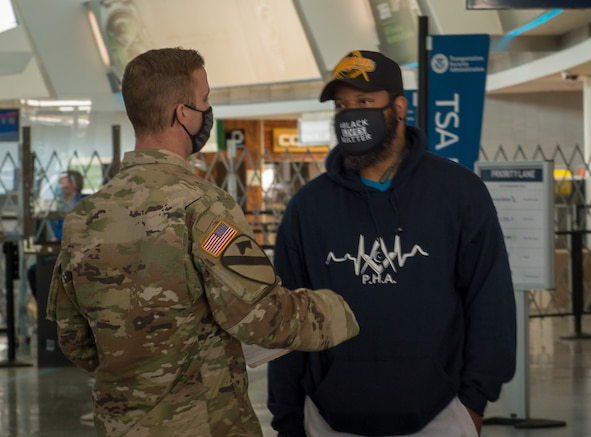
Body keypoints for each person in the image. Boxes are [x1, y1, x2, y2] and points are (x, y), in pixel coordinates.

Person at [46, 47, 360, 436]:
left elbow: (73, 338)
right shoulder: (202, 206)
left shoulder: (82, 218)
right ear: (182, 113)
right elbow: (261, 318)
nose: (208, 110)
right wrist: (340, 309)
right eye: (205, 99)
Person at [267, 50, 517, 437]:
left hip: (441, 414)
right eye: (342, 105)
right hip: (328, 417)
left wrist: (474, 401)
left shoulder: (457, 192)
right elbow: (287, 317)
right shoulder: (308, 207)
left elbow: (489, 299)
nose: (351, 115)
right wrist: (287, 418)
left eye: (364, 102)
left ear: (398, 108)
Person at [26, 170, 85, 299]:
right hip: (60, 253)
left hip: (80, 254)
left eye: (61, 182)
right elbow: (56, 236)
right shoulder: (61, 208)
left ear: (72, 185)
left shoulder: (85, 203)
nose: (57, 186)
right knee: (34, 271)